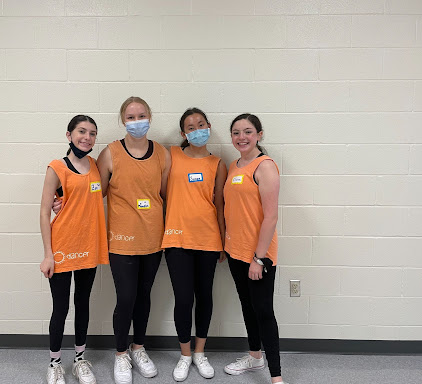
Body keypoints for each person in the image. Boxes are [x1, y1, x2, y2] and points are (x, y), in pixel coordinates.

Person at [96, 96, 171, 384]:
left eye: (142, 115)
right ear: (122, 120)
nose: (137, 121)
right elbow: (95, 193)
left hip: (153, 237)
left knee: (143, 296)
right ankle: (120, 355)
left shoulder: (162, 154)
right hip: (122, 239)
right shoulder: (110, 153)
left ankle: (138, 347)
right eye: (131, 117)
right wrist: (62, 202)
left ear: (150, 116)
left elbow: (164, 195)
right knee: (125, 297)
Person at [40, 115, 109, 384]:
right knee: (61, 307)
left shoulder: (94, 165)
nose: (87, 137)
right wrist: (48, 254)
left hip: (88, 247)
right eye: (82, 131)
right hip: (62, 249)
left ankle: (80, 359)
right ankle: (55, 363)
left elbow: (91, 197)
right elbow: (45, 212)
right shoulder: (57, 167)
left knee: (83, 304)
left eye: (92, 133)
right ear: (69, 135)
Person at [161, 108, 228, 382]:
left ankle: (200, 353)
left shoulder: (218, 163)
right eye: (191, 126)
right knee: (183, 298)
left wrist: (223, 241)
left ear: (209, 126)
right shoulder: (172, 156)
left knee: (205, 297)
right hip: (176, 237)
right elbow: (161, 193)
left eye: (201, 124)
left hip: (208, 239)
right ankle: (185, 354)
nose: (197, 129)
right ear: (183, 133)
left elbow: (220, 205)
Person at [222, 114, 288, 384]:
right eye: (236, 133)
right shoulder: (234, 165)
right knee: (247, 307)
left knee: (263, 312)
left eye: (248, 132)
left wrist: (259, 259)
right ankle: (254, 357)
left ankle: (276, 377)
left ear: (260, 134)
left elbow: (270, 217)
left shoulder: (265, 166)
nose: (242, 137)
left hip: (258, 256)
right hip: (235, 252)